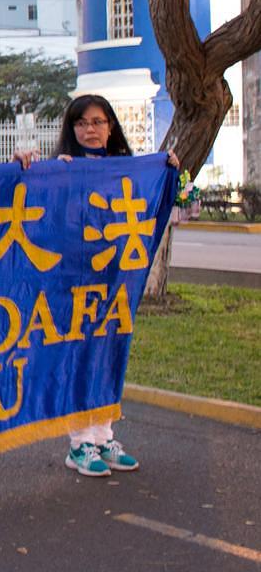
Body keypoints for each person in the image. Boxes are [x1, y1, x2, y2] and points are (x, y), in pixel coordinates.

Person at [50, 93, 178, 477]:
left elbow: (151, 205)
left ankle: (104, 436)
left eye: (98, 122)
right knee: (79, 358)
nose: (90, 130)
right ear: (72, 129)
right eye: (81, 123)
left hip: (115, 282)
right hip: (74, 282)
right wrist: (52, 175)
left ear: (110, 126)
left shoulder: (128, 169)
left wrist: (167, 169)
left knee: (109, 357)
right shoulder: (62, 167)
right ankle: (80, 443)